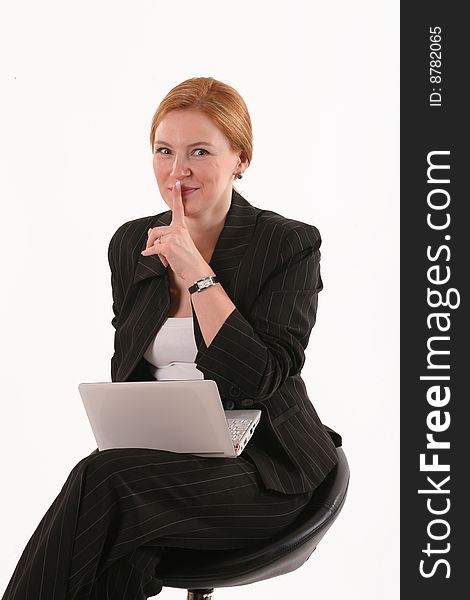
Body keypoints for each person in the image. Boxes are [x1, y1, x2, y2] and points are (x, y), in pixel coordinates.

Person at [2, 77, 341, 600]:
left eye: (199, 152)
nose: (176, 170)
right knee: (115, 548)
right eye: (164, 151)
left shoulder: (287, 243)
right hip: (167, 465)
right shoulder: (131, 242)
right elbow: (131, 373)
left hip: (267, 475)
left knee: (107, 481)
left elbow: (265, 378)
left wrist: (197, 272)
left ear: (240, 159)